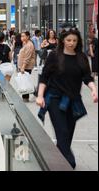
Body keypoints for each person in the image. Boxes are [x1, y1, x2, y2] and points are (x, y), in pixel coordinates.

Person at [36, 29, 98, 169]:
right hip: (54, 99)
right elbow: (44, 77)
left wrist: (94, 89)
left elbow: (87, 77)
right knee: (62, 131)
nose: (71, 43)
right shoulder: (54, 56)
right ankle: (69, 163)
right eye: (69, 40)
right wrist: (40, 96)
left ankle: (57, 161)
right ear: (63, 40)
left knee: (67, 134)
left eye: (74, 41)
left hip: (73, 100)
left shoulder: (81, 57)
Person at [18, 31, 36, 102]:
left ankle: (26, 98)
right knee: (25, 81)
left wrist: (23, 67)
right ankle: (34, 92)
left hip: (26, 66)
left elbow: (27, 58)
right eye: (21, 36)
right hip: (23, 65)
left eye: (23, 36)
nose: (22, 38)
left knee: (25, 82)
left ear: (28, 37)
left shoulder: (29, 45)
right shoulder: (25, 43)